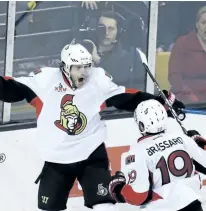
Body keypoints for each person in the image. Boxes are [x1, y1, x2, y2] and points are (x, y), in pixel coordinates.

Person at [0, 43, 184, 211]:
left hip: (91, 154)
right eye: (77, 67)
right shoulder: (44, 81)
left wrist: (160, 103)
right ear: (65, 67)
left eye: (87, 66)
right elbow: (11, 88)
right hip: (56, 159)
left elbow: (126, 98)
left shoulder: (97, 81)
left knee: (104, 206)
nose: (84, 72)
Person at [109, 99, 206, 211]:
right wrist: (201, 143)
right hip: (192, 205)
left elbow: (138, 196)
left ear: (141, 124)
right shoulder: (183, 139)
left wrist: (119, 188)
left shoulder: (136, 152)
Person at [168, 5, 206, 104]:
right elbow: (174, 77)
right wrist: (191, 99)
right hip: (185, 99)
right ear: (197, 24)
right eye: (203, 22)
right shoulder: (182, 43)